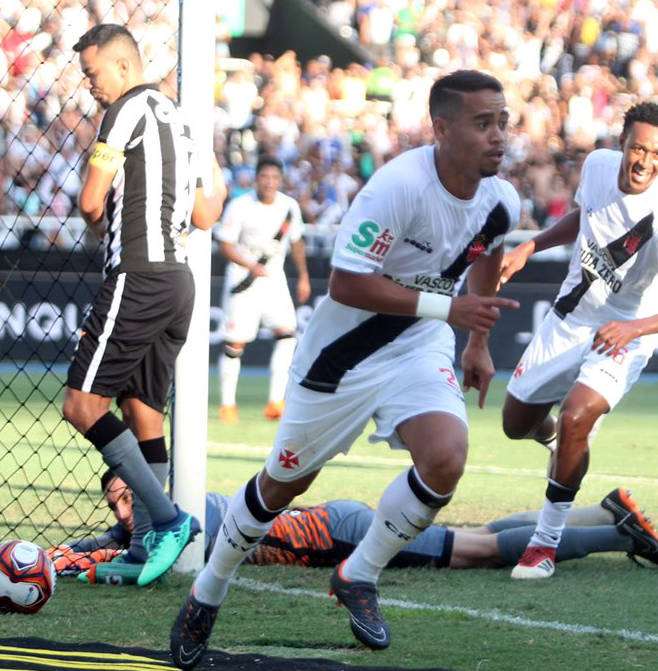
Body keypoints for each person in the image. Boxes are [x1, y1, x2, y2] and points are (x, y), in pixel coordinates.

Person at [170, 69, 522, 667]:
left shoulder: (501, 199)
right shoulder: (398, 187)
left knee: (445, 457)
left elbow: (486, 253)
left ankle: (358, 574)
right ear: (441, 128)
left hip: (418, 344)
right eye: (482, 123)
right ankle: (208, 593)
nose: (498, 137)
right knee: (285, 485)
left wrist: (476, 343)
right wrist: (449, 306)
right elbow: (347, 282)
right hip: (342, 357)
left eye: (502, 122)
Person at [496, 102, 658, 580]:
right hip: (570, 318)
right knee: (514, 422)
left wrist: (634, 329)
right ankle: (560, 442)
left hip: (627, 331)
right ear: (622, 143)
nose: (644, 162)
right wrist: (532, 244)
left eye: (656, 154)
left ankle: (543, 546)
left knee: (576, 416)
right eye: (637, 148)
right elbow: (583, 216)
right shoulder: (597, 166)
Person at [61, 24, 225, 589]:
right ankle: (142, 546)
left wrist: (94, 205)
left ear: (124, 67)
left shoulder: (126, 109)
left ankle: (169, 519)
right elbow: (206, 215)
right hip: (178, 282)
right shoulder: (182, 122)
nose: (91, 87)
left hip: (138, 274)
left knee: (81, 406)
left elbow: (89, 202)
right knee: (142, 410)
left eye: (93, 74)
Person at [54, 470, 658, 580]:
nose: (122, 511)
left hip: (342, 535)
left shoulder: (182, 520)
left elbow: (124, 554)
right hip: (336, 524)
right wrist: (61, 554)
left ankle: (620, 532)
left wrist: (79, 560)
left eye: (127, 498)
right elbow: (108, 545)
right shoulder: (159, 519)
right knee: (480, 536)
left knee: (483, 553)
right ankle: (603, 511)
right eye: (114, 504)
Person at [215, 154, 310, 423]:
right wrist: (249, 264)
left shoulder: (289, 206)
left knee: (287, 335)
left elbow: (297, 243)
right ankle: (227, 404)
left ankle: (275, 401)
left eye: (274, 177)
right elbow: (225, 245)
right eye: (264, 177)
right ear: (256, 179)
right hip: (243, 281)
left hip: (274, 280)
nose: (269, 182)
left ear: (281, 180)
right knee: (235, 344)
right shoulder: (239, 206)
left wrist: (303, 276)